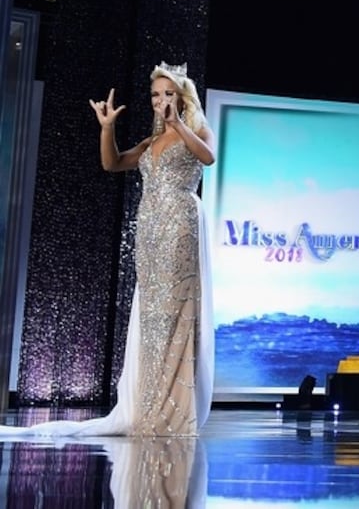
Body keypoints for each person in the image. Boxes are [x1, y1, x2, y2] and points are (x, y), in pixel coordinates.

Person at [1, 63, 216, 438]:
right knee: (151, 318)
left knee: (175, 316)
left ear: (181, 99)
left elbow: (208, 158)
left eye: (168, 94)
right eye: (155, 95)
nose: (160, 101)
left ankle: (174, 406)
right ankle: (149, 403)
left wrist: (179, 124)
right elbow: (111, 163)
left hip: (180, 231)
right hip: (149, 234)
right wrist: (107, 128)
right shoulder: (150, 144)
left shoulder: (195, 130)